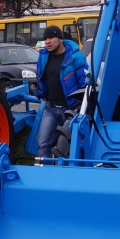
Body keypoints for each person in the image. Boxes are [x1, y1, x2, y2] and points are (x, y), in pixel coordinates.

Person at [34, 25, 89, 158]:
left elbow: (85, 84)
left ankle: (63, 174)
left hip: (70, 109)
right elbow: (41, 78)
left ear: (60, 39)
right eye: (45, 38)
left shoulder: (76, 58)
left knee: (63, 147)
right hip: (51, 108)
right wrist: (41, 94)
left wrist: (79, 107)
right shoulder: (43, 57)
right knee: (43, 143)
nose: (47, 41)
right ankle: (46, 173)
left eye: (51, 37)